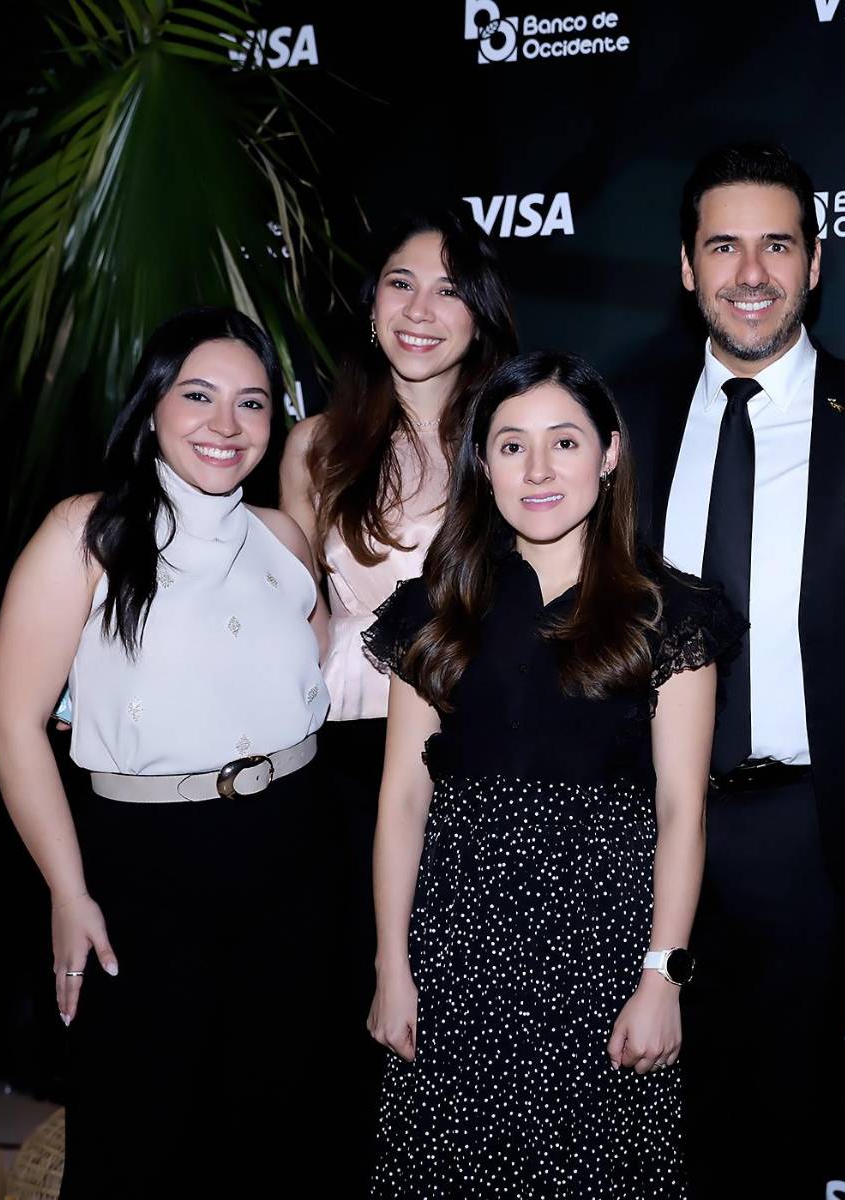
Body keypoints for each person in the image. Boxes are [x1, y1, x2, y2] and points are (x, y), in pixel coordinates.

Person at [619, 141, 845, 1197]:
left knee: (797, 1125)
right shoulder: (620, 421)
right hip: (641, 823)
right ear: (685, 266)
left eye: (776, 245)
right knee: (654, 1130)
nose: (750, 273)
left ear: (815, 261)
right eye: (723, 247)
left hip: (816, 830)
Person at [364, 350, 742, 1197]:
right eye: (511, 446)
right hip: (456, 948)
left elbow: (682, 810)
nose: (537, 470)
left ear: (608, 454)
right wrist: (392, 966)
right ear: (483, 464)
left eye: (564, 442)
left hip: (605, 948)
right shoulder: (435, 609)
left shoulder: (669, 612)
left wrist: (662, 977)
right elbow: (402, 798)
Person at [0, 307, 333, 1197]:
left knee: (271, 1133)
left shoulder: (284, 538)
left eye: (251, 403)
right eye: (199, 396)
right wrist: (69, 890)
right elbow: (9, 722)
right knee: (137, 1139)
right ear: (153, 406)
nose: (226, 423)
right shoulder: (87, 532)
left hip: (293, 856)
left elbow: (311, 684)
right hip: (145, 866)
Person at [278, 207, 518, 1158]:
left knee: (463, 1017)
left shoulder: (514, 439)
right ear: (371, 303)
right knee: (346, 1010)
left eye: (450, 290)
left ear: (481, 313)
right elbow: (296, 617)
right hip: (341, 754)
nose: (420, 310)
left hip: (476, 756)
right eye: (400, 284)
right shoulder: (315, 445)